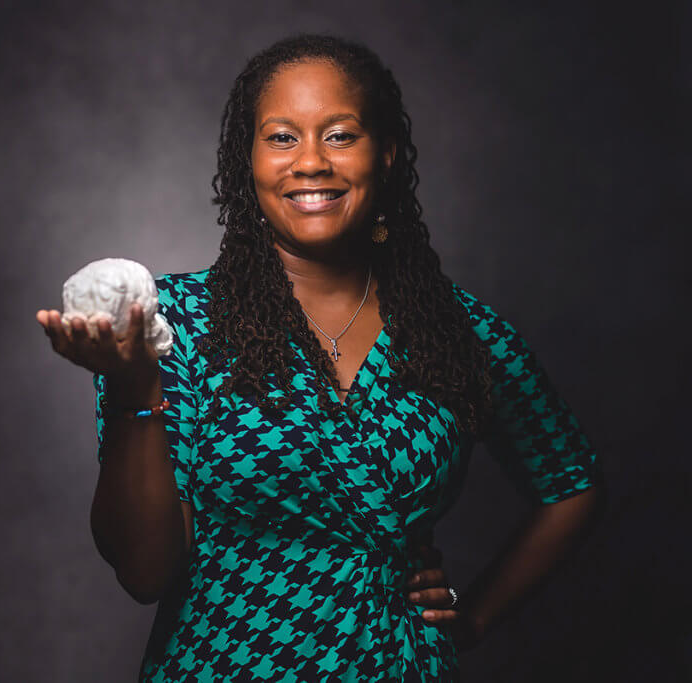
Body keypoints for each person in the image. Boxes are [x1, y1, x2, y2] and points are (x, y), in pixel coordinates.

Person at [36, 34, 602, 682]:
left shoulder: (457, 329)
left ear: (386, 155)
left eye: (340, 135)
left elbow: (571, 484)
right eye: (282, 137)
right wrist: (136, 384)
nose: (311, 162)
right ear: (247, 160)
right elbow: (142, 572)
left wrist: (472, 616)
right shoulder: (173, 324)